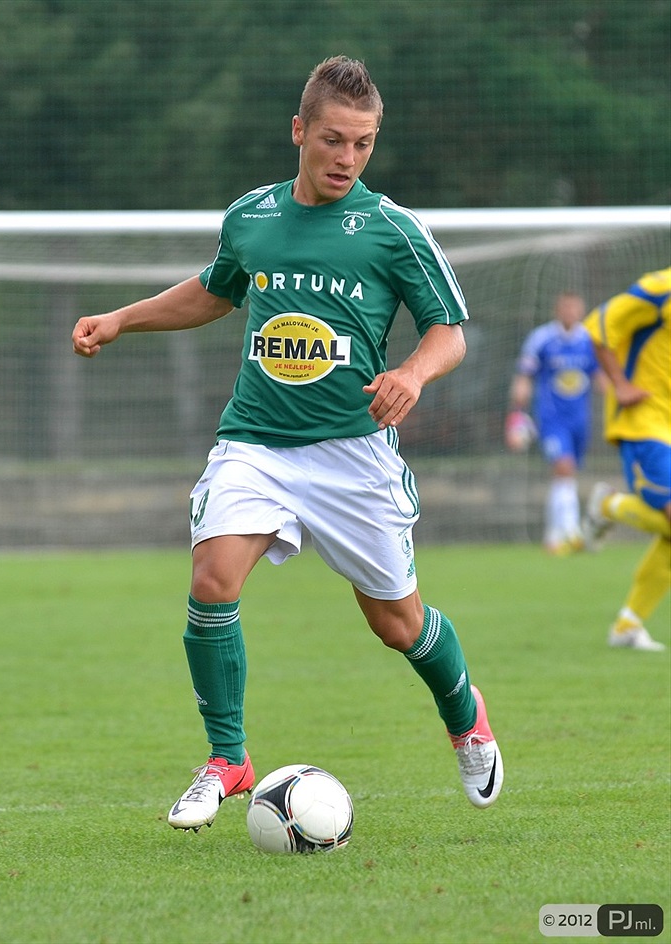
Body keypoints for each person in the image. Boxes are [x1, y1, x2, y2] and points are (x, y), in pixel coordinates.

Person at [72, 56, 503, 831]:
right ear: (299, 130)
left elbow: (450, 332)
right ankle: (228, 757)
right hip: (257, 444)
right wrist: (122, 318)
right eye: (333, 140)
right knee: (212, 578)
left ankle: (464, 711)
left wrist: (412, 371)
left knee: (397, 624)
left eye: (363, 144)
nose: (347, 158)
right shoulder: (253, 216)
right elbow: (214, 290)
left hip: (352, 455)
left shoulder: (391, 229)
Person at [582, 268, 670, 651]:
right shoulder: (660, 289)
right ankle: (607, 505)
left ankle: (627, 625)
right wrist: (620, 384)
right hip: (644, 422)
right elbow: (599, 325)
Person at [505, 292, 601, 555]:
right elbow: (524, 377)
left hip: (580, 420)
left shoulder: (589, 340)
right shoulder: (542, 339)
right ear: (557, 310)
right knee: (564, 468)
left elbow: (599, 377)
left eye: (575, 307)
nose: (570, 311)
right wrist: (516, 414)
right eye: (566, 307)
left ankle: (553, 535)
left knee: (566, 476)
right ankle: (571, 532)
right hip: (551, 419)